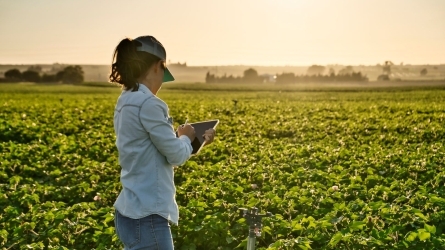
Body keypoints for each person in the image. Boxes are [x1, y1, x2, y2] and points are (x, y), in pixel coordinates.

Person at [109, 36, 216, 250]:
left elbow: (151, 150)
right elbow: (175, 155)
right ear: (159, 66)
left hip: (129, 212)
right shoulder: (150, 104)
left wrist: (189, 141)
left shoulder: (126, 100)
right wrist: (186, 136)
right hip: (147, 216)